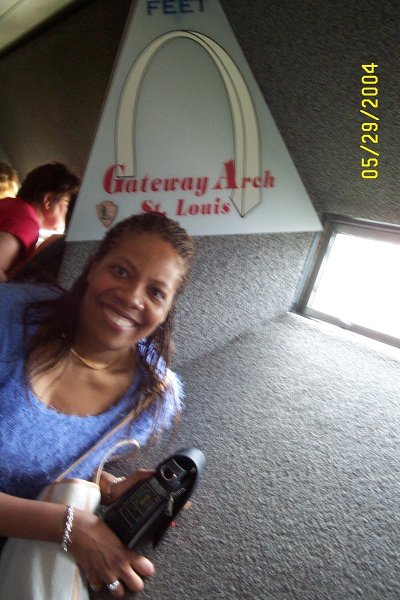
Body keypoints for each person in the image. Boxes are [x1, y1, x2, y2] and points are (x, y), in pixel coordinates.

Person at [0, 212, 195, 596]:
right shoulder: (8, 316)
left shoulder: (153, 397)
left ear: (167, 310)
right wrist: (70, 527)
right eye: (121, 272)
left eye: (156, 292)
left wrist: (106, 485)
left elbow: (43, 463)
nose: (132, 297)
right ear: (93, 267)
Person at [0, 161, 80, 282]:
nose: (67, 211)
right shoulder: (26, 223)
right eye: (67, 204)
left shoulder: (9, 205)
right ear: (48, 200)